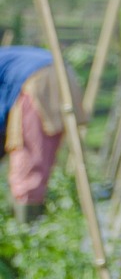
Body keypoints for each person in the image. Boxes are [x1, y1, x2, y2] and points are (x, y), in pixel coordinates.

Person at [1, 46, 65, 223]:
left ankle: (26, 231)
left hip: (39, 83)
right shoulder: (8, 58)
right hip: (61, 76)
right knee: (42, 154)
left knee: (28, 157)